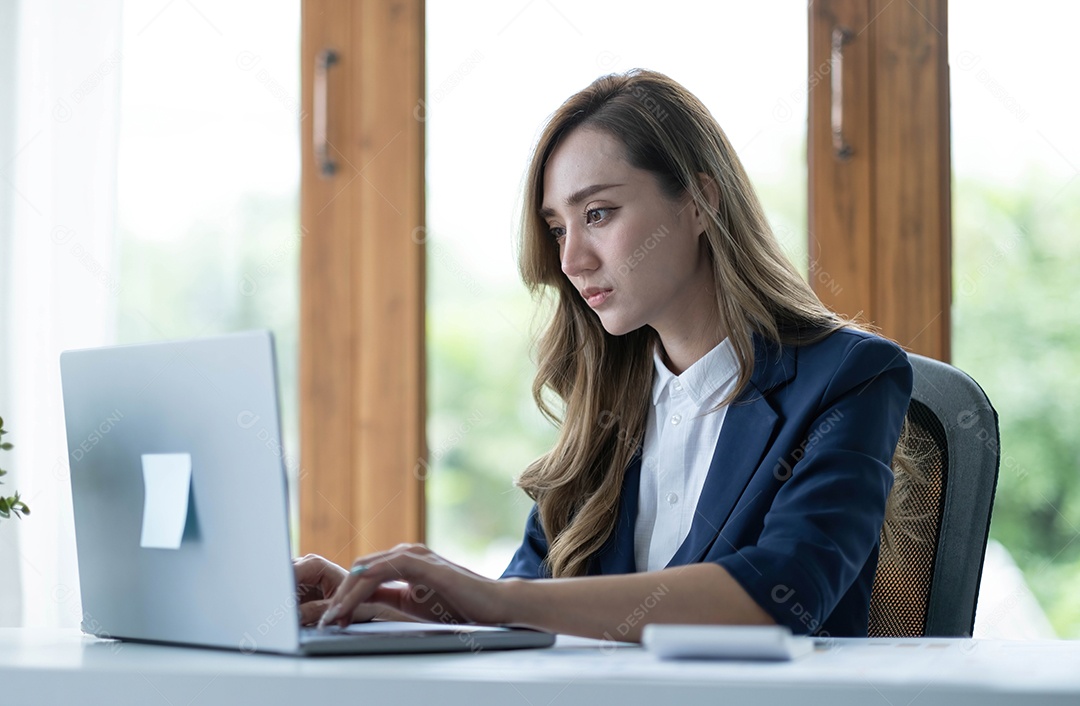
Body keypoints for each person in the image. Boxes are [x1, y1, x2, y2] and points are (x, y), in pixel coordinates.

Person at [294, 69, 913, 641]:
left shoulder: (850, 377)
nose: (571, 260)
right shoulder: (610, 396)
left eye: (598, 213)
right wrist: (393, 603)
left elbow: (782, 594)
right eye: (558, 229)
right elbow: (531, 597)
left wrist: (497, 600)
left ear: (700, 202)